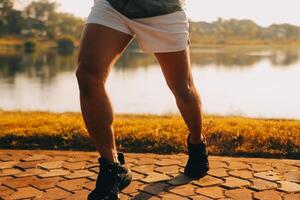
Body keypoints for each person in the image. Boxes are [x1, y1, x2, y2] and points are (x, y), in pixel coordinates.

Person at [75, 0, 209, 199]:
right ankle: (112, 168)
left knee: (182, 87)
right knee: (87, 75)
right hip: (114, 6)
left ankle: (197, 144)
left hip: (163, 9)